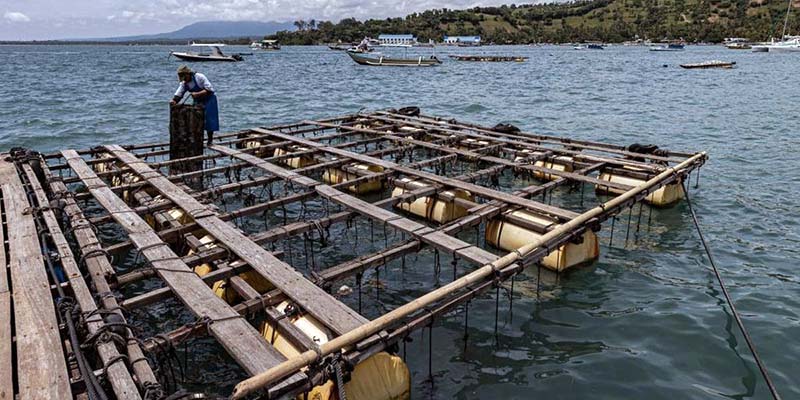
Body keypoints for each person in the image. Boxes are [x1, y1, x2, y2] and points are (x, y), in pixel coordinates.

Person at [170, 65, 219, 145]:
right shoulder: (184, 83)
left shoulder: (199, 77)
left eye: (185, 77)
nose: (184, 80)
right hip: (198, 100)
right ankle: (197, 139)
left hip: (209, 99)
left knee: (209, 119)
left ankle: (210, 140)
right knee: (195, 119)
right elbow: (179, 94)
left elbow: (210, 90)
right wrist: (174, 101)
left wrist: (197, 94)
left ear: (188, 74)